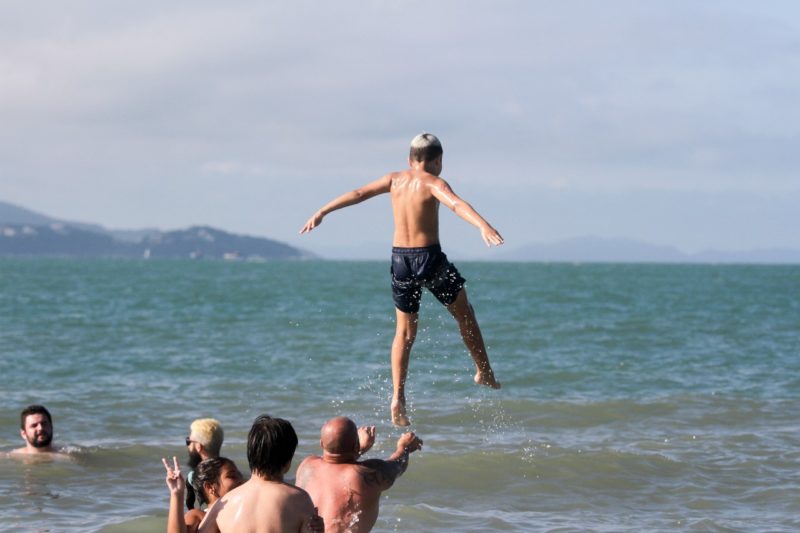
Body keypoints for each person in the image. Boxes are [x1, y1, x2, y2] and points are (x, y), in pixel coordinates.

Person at [300, 132, 503, 426]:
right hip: (429, 258)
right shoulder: (433, 182)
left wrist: (323, 211)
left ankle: (398, 396)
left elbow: (358, 193)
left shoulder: (394, 179)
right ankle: (483, 371)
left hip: (401, 261)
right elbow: (456, 204)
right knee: (464, 313)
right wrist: (483, 226)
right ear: (437, 161)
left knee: (405, 334)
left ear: (410, 159)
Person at [164, 415, 322, 533]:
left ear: (250, 455)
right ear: (288, 462)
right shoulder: (300, 500)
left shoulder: (222, 505)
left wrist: (177, 495)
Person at [296, 416, 423, 533]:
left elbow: (337, 463)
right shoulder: (368, 473)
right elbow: (398, 465)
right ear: (356, 444)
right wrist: (404, 447)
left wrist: (358, 450)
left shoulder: (306, 466)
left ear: (321, 444)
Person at [163, 457, 245, 533]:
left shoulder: (242, 512)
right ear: (209, 487)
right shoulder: (200, 516)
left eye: (241, 475)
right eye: (232, 476)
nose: (241, 480)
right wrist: (177, 493)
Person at [185, 418, 225, 510]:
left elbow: (190, 507)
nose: (188, 446)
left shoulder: (192, 477)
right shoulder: (231, 472)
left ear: (198, 446)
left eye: (188, 441)